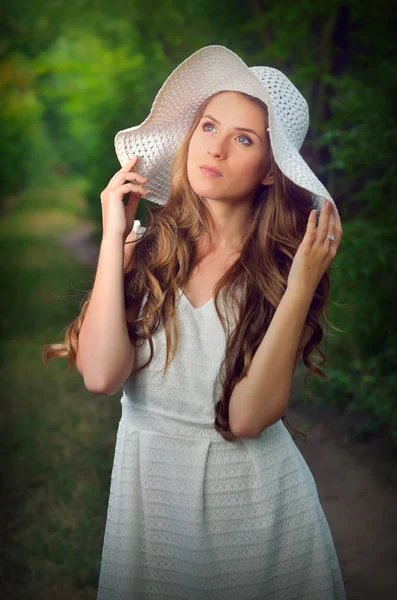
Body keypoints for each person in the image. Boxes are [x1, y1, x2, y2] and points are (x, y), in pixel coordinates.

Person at [43, 45, 346, 599]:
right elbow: (100, 376)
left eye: (245, 138)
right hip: (150, 497)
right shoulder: (142, 250)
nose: (216, 146)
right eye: (209, 125)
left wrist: (302, 286)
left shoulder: (284, 273)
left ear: (270, 174)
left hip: (257, 510)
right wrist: (114, 237)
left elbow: (249, 417)